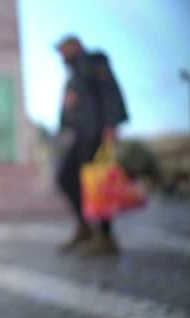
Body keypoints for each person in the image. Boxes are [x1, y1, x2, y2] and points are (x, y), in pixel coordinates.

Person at [55, 35, 128, 254]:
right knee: (66, 177)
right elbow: (68, 109)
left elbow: (110, 92)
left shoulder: (95, 61)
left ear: (74, 46)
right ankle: (85, 226)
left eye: (63, 50)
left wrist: (111, 124)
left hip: (97, 132)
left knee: (99, 183)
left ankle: (106, 237)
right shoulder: (73, 73)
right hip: (79, 136)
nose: (61, 55)